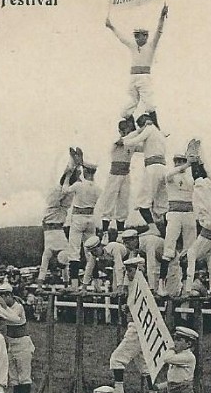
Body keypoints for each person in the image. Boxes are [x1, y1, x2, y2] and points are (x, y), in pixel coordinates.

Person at [106, 3, 168, 129]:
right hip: (133, 79)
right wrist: (111, 26)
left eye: (138, 36)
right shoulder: (133, 46)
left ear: (145, 36)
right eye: (135, 36)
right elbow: (122, 38)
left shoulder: (150, 46)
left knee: (149, 104)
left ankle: (157, 128)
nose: (136, 39)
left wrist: (161, 17)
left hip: (144, 78)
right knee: (128, 108)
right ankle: (131, 128)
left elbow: (159, 32)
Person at [108, 256, 159, 393]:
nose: (128, 274)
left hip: (138, 328)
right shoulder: (136, 284)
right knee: (144, 364)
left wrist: (128, 307)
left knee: (117, 359)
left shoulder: (142, 285)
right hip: (139, 326)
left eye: (130, 271)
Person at [181, 159, 211, 297]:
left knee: (203, 188)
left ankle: (195, 162)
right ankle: (197, 163)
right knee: (207, 188)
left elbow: (191, 269)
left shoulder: (192, 252)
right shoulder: (205, 252)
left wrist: (187, 290)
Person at [37, 151, 80, 286]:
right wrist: (66, 283)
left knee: (65, 188)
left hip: (58, 214)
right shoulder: (54, 250)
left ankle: (73, 167)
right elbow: (57, 268)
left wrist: (39, 284)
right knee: (65, 188)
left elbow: (56, 268)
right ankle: (74, 167)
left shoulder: (57, 250)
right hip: (55, 215)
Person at [121, 114, 168, 228]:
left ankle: (153, 229)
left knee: (142, 202)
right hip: (162, 168)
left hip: (152, 168)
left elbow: (132, 141)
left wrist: (123, 140)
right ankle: (166, 231)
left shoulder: (149, 129)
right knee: (162, 203)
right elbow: (144, 148)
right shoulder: (158, 133)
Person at [97, 120, 139, 240]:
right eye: (125, 131)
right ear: (120, 131)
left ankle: (121, 234)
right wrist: (138, 131)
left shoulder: (132, 144)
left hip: (126, 175)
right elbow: (123, 141)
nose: (128, 133)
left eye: (129, 130)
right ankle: (105, 232)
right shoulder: (116, 141)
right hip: (114, 175)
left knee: (123, 202)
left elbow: (145, 148)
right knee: (109, 201)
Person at [64, 160, 100, 290]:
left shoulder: (79, 185)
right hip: (91, 218)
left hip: (78, 218)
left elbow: (64, 191)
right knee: (92, 252)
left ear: (85, 171)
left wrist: (68, 177)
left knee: (74, 251)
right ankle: (97, 284)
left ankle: (74, 285)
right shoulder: (97, 188)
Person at [0, 284, 34, 393]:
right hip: (11, 344)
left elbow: (10, 317)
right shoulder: (7, 307)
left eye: (3, 297)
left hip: (22, 344)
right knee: (14, 378)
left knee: (24, 377)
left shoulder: (18, 307)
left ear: (9, 295)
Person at [161, 154, 195, 284]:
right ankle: (161, 284)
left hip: (189, 214)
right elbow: (168, 175)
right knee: (169, 247)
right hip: (175, 214)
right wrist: (187, 164)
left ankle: (188, 284)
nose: (179, 163)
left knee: (190, 250)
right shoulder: (171, 175)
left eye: (182, 161)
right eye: (177, 161)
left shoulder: (190, 178)